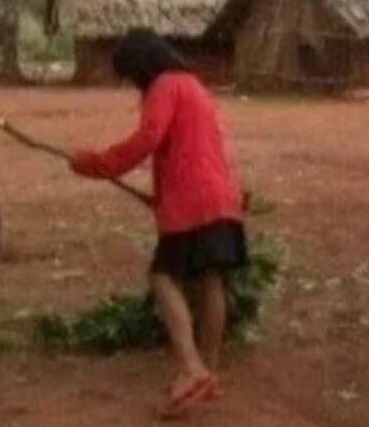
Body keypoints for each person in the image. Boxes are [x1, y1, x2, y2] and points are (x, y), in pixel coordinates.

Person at [68, 29, 246, 416]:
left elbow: (148, 139)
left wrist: (98, 163)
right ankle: (207, 372)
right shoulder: (193, 85)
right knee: (210, 280)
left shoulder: (164, 86)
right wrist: (160, 194)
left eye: (131, 76)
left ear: (141, 66)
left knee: (163, 276)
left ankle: (191, 368)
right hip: (220, 197)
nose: (134, 85)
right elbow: (191, 147)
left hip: (192, 201)